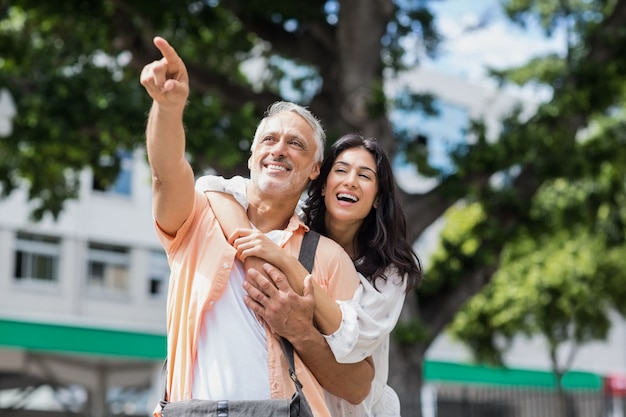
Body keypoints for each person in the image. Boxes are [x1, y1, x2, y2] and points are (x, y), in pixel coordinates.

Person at [139, 36, 374, 417]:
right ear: (252, 156)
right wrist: (168, 108)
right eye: (269, 139)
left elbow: (358, 386)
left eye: (296, 144)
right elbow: (166, 174)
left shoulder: (328, 258)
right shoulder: (200, 218)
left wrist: (299, 330)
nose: (279, 149)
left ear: (315, 169)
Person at [199, 133, 423, 416]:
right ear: (322, 185)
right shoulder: (293, 232)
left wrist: (286, 263)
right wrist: (252, 253)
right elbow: (210, 184)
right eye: (340, 170)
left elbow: (352, 341)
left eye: (365, 176)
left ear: (378, 198)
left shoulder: (388, 273)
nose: (350, 181)